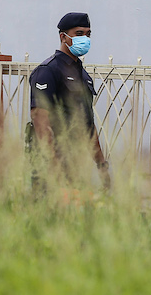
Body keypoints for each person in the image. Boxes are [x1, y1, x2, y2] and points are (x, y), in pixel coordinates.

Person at [29, 12, 110, 190]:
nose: (85, 39)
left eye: (88, 34)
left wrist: (101, 165)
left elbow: (88, 124)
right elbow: (41, 121)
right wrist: (54, 168)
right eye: (79, 34)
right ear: (63, 37)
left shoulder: (83, 75)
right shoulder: (48, 71)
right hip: (52, 166)